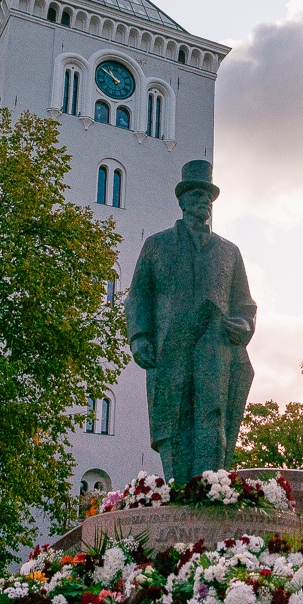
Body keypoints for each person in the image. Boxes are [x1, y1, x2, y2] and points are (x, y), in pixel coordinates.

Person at [125, 160, 257, 483]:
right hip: (172, 348)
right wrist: (140, 336)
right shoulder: (157, 246)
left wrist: (243, 325)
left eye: (208, 197)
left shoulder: (229, 251)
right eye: (197, 195)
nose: (204, 202)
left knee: (212, 416)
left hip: (215, 345)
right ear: (183, 201)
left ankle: (210, 489)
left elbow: (244, 304)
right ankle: (179, 489)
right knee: (175, 418)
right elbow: (137, 296)